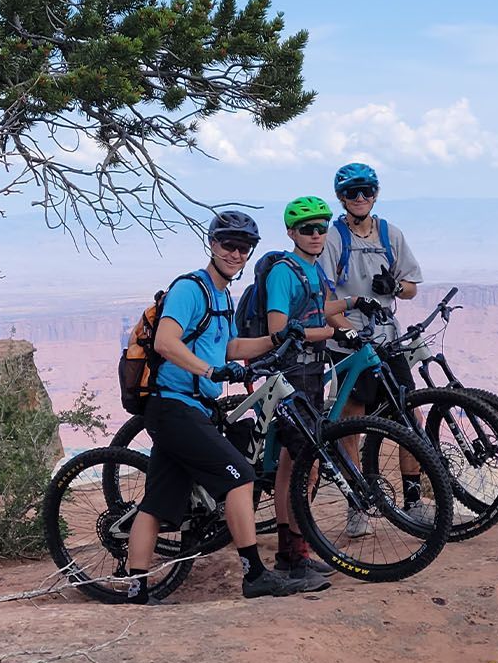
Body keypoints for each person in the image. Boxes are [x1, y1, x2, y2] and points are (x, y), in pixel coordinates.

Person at [123, 209, 326, 602]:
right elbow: (166, 342)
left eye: (244, 248)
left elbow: (230, 347)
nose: (236, 254)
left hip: (188, 409)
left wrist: (280, 338)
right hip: (173, 406)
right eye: (228, 245)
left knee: (157, 504)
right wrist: (210, 372)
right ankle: (254, 575)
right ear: (212, 244)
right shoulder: (190, 289)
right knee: (240, 476)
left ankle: (136, 590)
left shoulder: (221, 294)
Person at [318, 162, 426, 536]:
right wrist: (345, 331)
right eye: (352, 193)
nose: (360, 198)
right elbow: (324, 296)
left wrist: (395, 288)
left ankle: (413, 500)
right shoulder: (333, 238)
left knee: (408, 417)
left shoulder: (389, 233)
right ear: (341, 198)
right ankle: (357, 505)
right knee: (352, 422)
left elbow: (412, 286)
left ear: (376, 193)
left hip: (387, 338)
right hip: (348, 343)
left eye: (366, 191)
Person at [264, 195, 359, 581]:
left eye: (322, 228)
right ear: (291, 233)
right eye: (308, 229)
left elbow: (322, 310)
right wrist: (332, 332)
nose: (317, 235)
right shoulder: (283, 272)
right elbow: (277, 330)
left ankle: (293, 554)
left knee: (293, 463)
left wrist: (356, 303)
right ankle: (294, 555)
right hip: (291, 377)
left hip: (311, 374)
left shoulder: (314, 269)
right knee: (303, 463)